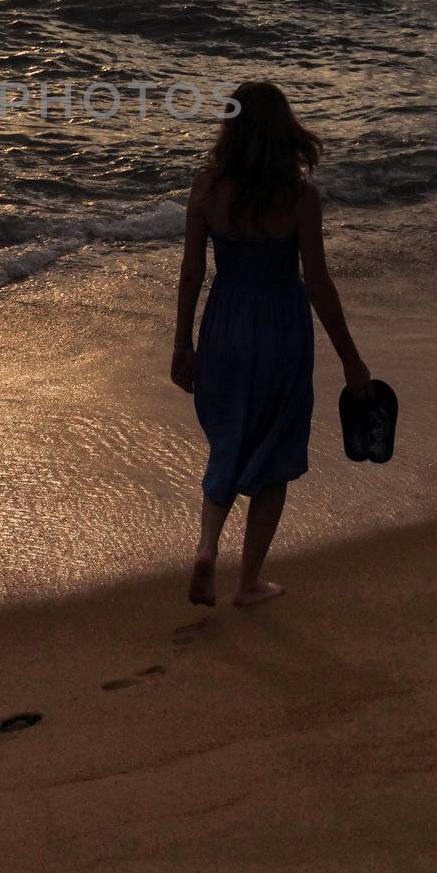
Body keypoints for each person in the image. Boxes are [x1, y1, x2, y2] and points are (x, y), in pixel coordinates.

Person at [170, 81, 373, 608]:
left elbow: (191, 273)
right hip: (282, 329)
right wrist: (352, 360)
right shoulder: (300, 197)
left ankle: (207, 548)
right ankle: (248, 583)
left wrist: (182, 343)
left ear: (230, 130)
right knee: (276, 453)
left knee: (227, 441)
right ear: (286, 131)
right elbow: (319, 284)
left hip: (225, 326)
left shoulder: (207, 188)